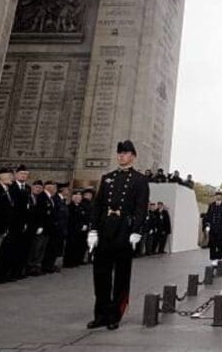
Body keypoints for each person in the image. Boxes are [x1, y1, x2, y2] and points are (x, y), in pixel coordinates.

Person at [87, 140, 150, 331]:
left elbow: (141, 208)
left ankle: (115, 314)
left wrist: (137, 231)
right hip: (106, 228)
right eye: (119, 153)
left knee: (122, 275)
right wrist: (93, 229)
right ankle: (101, 314)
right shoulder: (108, 178)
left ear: (133, 156)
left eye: (125, 153)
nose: (121, 156)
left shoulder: (140, 180)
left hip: (124, 229)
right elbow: (98, 206)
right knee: (101, 273)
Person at [0, 165, 33, 282]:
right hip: (12, 223)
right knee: (6, 250)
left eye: (26, 174)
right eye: (21, 174)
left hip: (22, 224)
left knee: (18, 249)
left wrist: (26, 222)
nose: (24, 176)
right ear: (16, 174)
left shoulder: (27, 188)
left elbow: (27, 207)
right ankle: (1, 275)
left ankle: (14, 272)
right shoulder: (11, 186)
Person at [27, 180, 56, 276]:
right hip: (41, 227)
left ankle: (37, 266)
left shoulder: (50, 198)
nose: (54, 189)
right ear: (48, 187)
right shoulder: (42, 197)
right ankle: (32, 266)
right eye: (52, 187)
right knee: (36, 248)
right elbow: (39, 212)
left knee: (42, 248)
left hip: (47, 228)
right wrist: (40, 225)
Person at [42, 183, 69, 273]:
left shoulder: (62, 200)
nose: (68, 191)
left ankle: (51, 265)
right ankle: (47, 266)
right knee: (51, 248)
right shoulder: (56, 199)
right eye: (66, 189)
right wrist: (57, 224)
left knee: (56, 249)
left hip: (61, 229)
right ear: (61, 190)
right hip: (55, 229)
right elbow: (55, 214)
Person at [64, 189, 89, 267]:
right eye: (76, 197)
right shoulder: (70, 207)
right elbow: (71, 219)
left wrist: (85, 224)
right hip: (72, 229)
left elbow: (85, 217)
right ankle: (68, 262)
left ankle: (75, 261)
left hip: (81, 230)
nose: (78, 198)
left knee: (78, 246)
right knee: (70, 246)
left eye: (79, 197)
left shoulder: (82, 207)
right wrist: (80, 226)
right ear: (73, 198)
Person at [204, 188, 222, 265]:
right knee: (212, 243)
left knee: (220, 243)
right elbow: (208, 216)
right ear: (215, 196)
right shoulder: (211, 205)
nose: (218, 196)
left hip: (221, 227)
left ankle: (218, 258)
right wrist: (207, 225)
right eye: (217, 195)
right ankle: (213, 258)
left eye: (220, 195)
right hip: (213, 227)